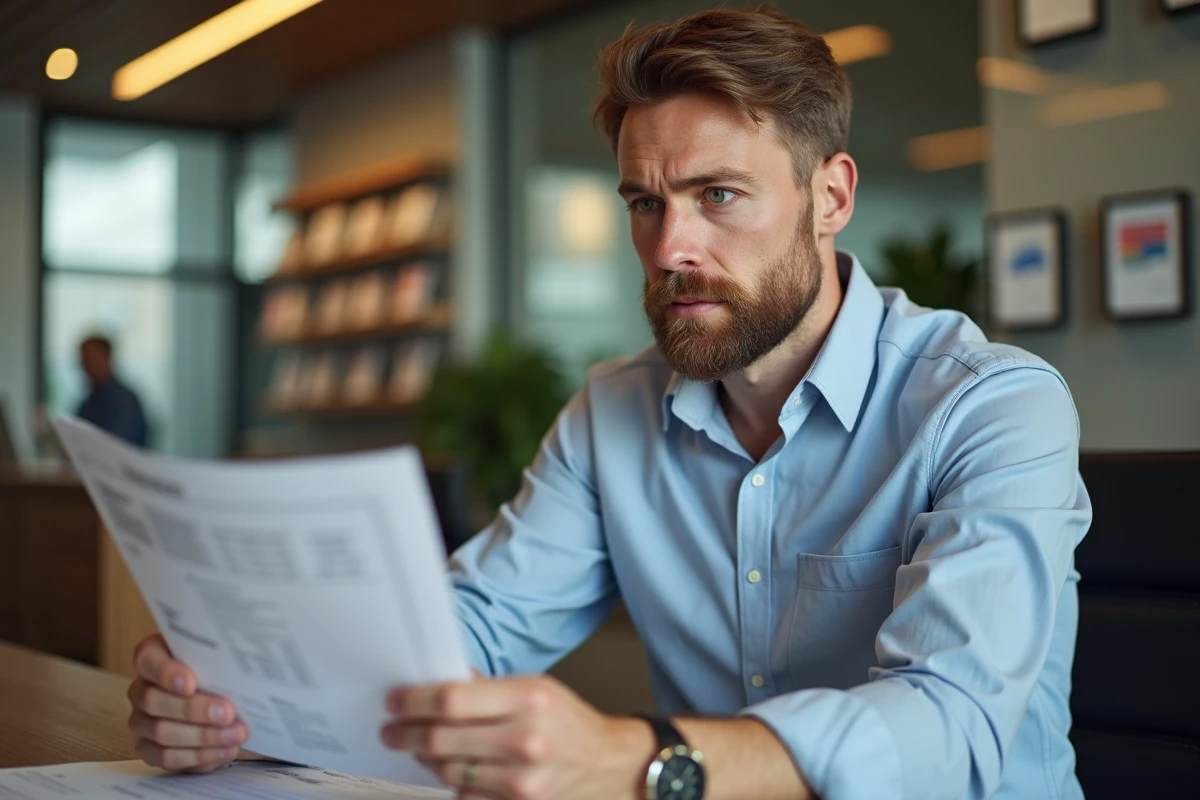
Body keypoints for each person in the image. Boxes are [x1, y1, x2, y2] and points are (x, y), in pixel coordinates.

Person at [121, 7, 1091, 799]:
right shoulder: (612, 413)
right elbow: (477, 628)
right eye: (645, 203)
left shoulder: (993, 408)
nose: (671, 248)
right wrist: (244, 691)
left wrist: (641, 757)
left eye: (719, 196)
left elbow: (949, 723)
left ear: (829, 195)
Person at [77, 335, 149, 448]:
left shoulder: (125, 401)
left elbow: (117, 445)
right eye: (84, 358)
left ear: (108, 358)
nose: (87, 364)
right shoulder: (89, 402)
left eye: (92, 358)